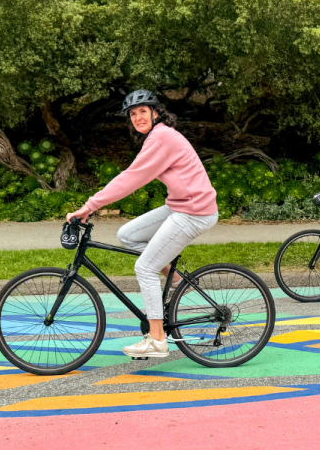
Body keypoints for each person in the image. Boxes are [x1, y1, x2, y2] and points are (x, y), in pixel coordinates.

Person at [66, 90, 218, 358]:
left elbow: (130, 179)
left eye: (142, 111)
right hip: (179, 205)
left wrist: (89, 207)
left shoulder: (161, 138)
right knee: (128, 233)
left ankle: (158, 340)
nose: (137, 117)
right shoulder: (157, 137)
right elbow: (132, 176)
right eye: (132, 114)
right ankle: (176, 279)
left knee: (145, 267)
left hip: (194, 211)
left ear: (155, 112)